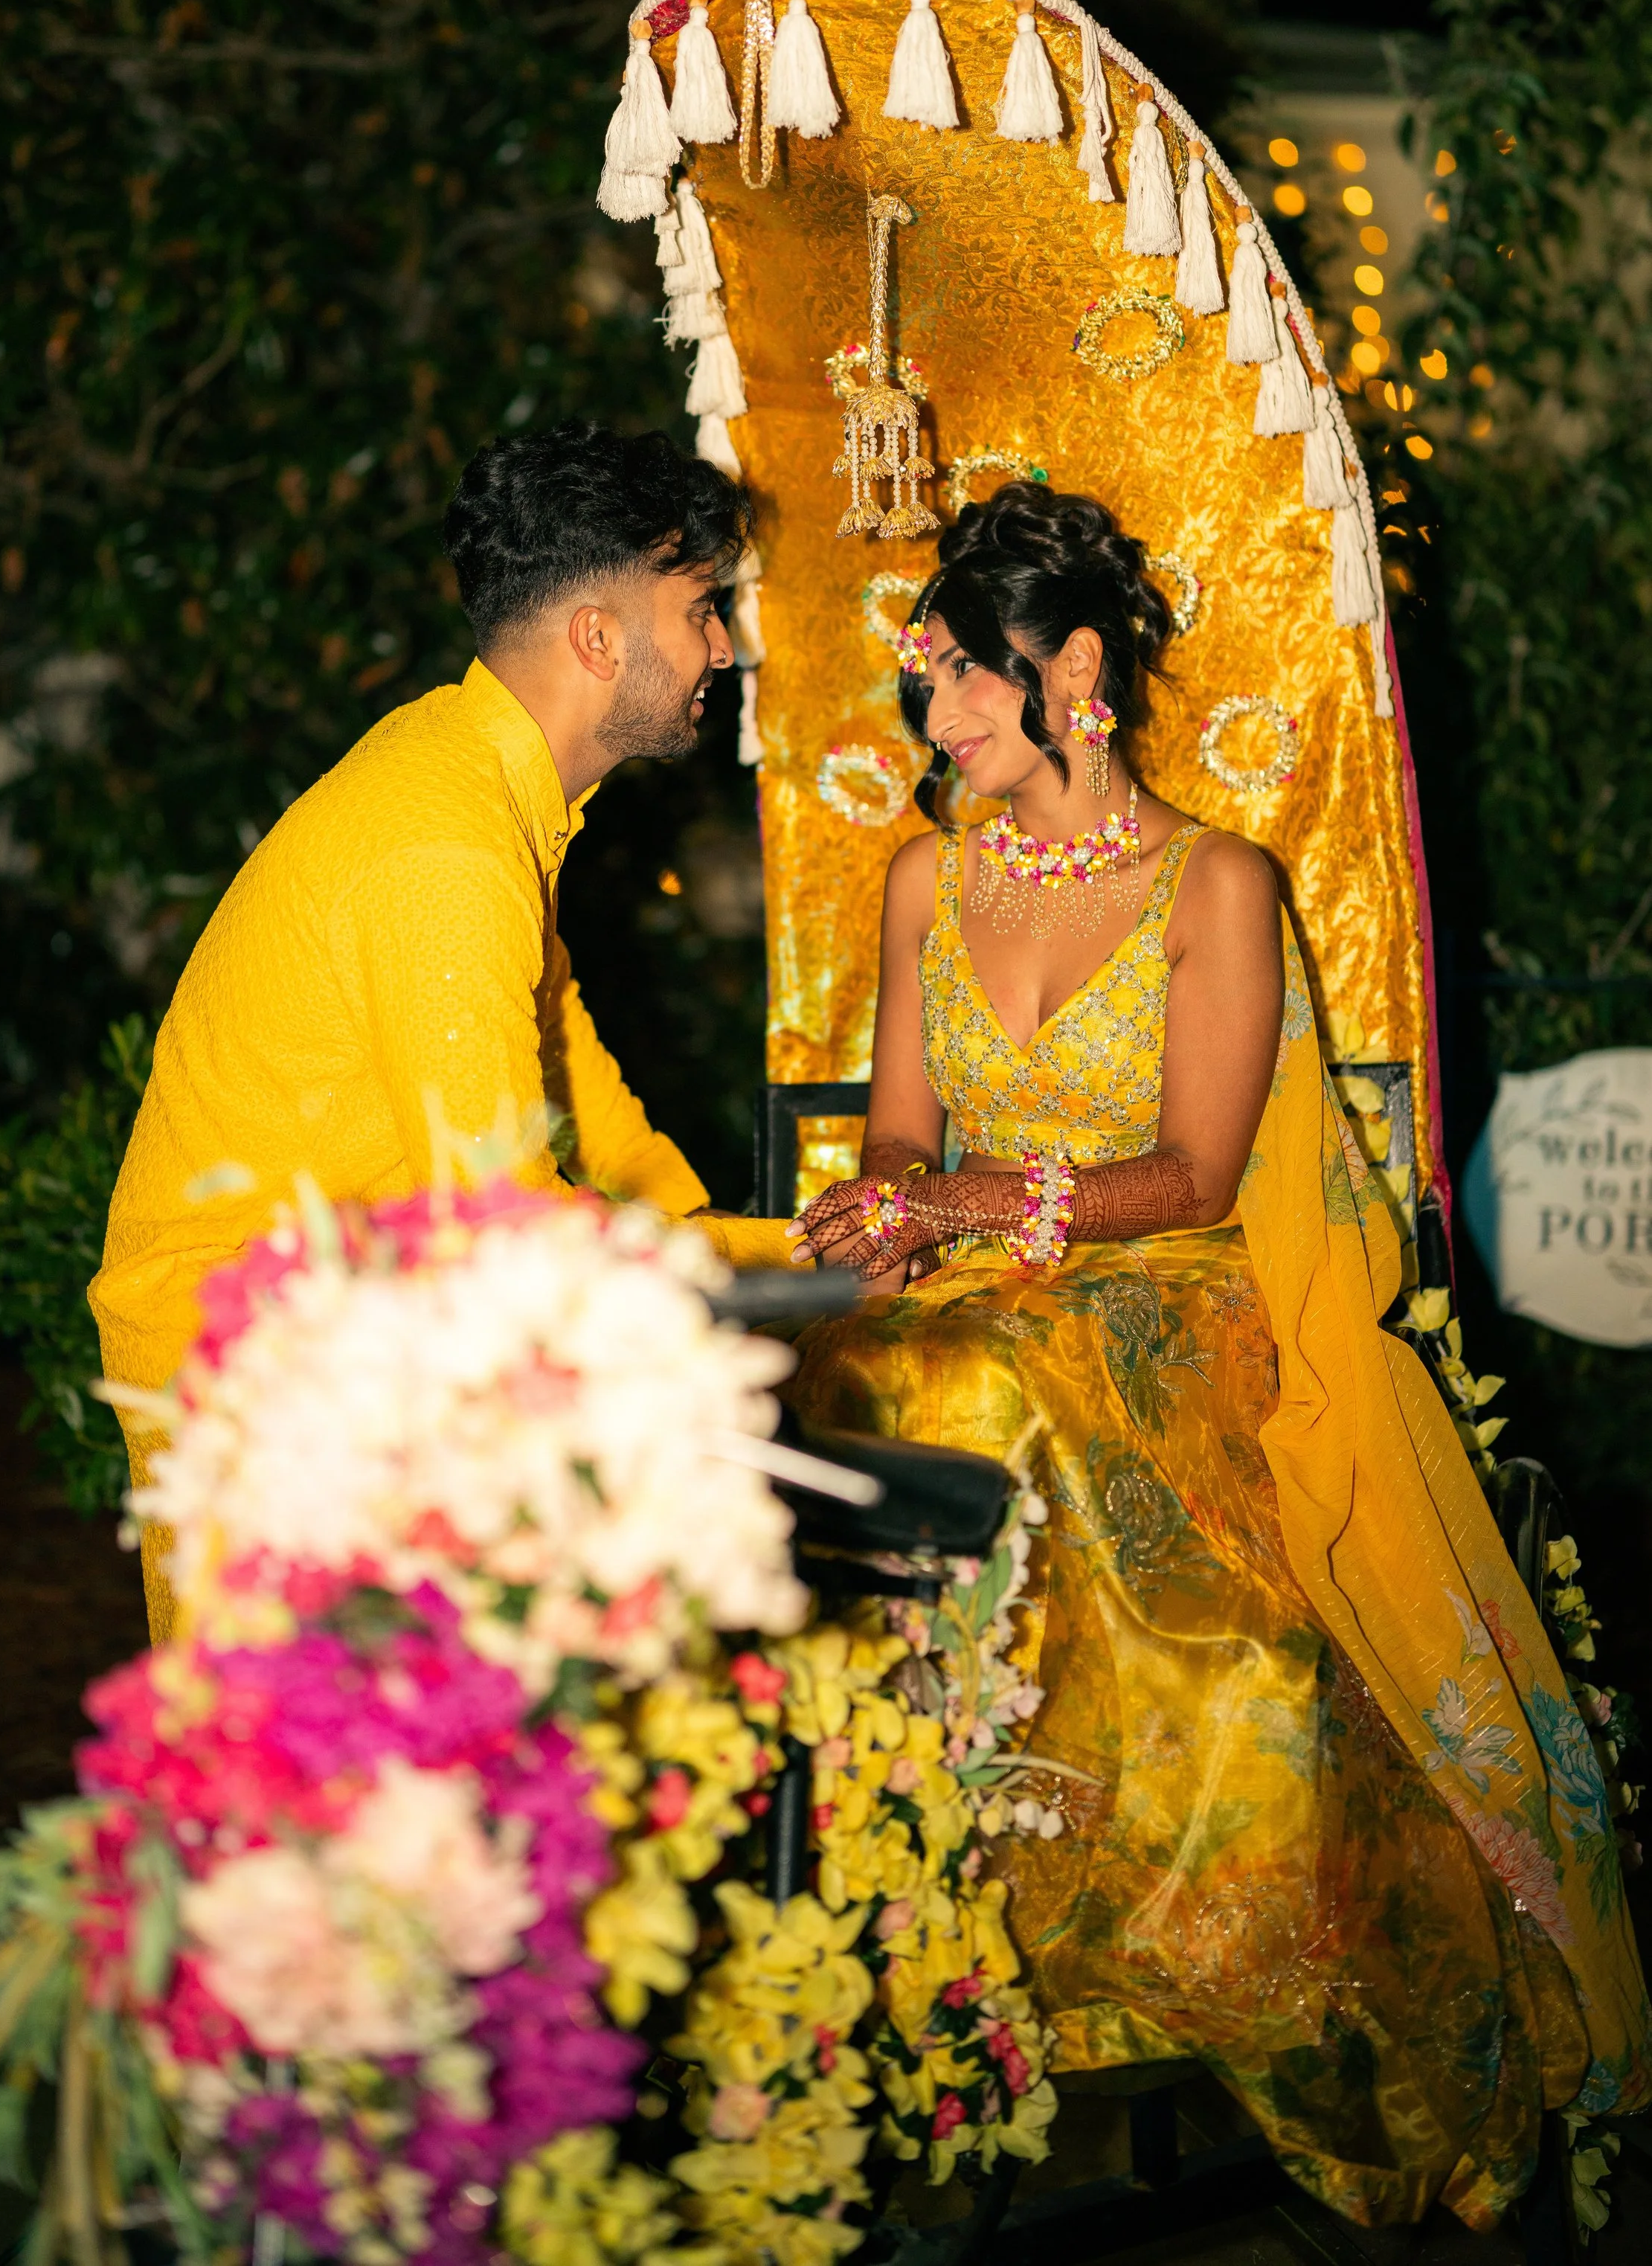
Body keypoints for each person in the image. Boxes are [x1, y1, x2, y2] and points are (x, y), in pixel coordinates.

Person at [788, 481, 1648, 2228]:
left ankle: (1140, 1941)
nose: (934, 716)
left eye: (962, 677)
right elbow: (893, 1137)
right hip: (973, 1290)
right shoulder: (919, 881)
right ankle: (896, 1930)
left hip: (1176, 1289)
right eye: (925, 682)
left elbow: (1190, 1167)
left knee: (989, 1395)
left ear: (1074, 670)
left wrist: (959, 1201)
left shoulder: (1216, 883)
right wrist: (885, 1208)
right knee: (840, 1399)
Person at [92, 423, 792, 1634]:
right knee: (348, 1798)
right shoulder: (446, 845)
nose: (723, 647)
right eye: (701, 611)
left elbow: (565, 1074)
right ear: (597, 636)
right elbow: (499, 1215)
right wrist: (766, 1270)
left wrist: (728, 1238)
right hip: (266, 1372)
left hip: (360, 1331)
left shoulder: (484, 784)